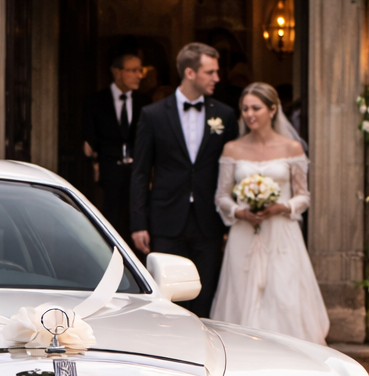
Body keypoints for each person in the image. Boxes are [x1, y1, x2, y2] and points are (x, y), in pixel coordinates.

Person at [210, 82, 329, 345]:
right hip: (244, 232)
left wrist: (282, 207)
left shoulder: (292, 148)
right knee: (242, 293)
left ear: (272, 110)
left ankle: (289, 350)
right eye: (245, 109)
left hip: (281, 232)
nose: (250, 114)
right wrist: (240, 211)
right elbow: (221, 196)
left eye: (256, 108)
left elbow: (303, 196)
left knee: (284, 291)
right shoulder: (232, 148)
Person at [129, 42, 237, 317]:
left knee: (205, 296)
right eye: (210, 72)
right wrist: (139, 222)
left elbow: (233, 170)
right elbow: (141, 172)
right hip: (165, 219)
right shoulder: (152, 115)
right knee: (168, 300)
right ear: (190, 72)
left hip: (209, 220)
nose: (217, 78)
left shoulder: (224, 115)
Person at [81, 53, 148, 244]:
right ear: (117, 72)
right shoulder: (95, 101)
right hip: (106, 176)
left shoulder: (145, 102)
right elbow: (90, 140)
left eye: (140, 70)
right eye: (133, 70)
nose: (139, 75)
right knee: (109, 223)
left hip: (136, 174)